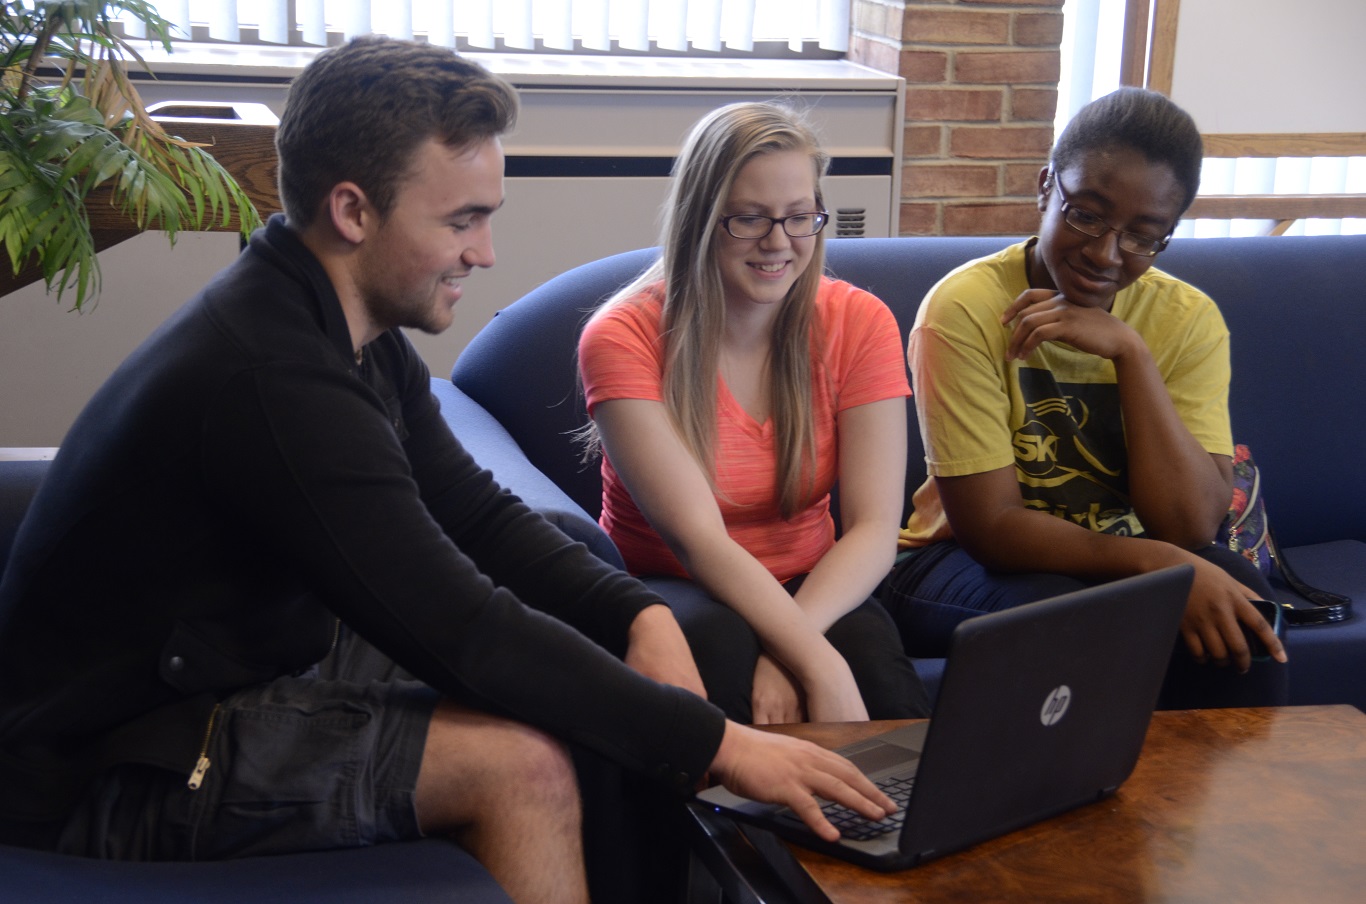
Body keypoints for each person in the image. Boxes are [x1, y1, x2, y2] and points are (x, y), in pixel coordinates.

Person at [0, 38, 900, 904]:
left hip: (228, 656)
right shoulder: (277, 381)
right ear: (353, 211)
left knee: (564, 623)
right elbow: (462, 627)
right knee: (524, 771)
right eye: (462, 220)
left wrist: (637, 612)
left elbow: (480, 517)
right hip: (117, 759)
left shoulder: (349, 332)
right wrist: (722, 745)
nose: (486, 252)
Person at [880, 87, 1288, 709]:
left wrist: (1132, 355)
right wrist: (1158, 565)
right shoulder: (964, 308)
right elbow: (991, 529)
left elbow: (1191, 524)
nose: (1104, 253)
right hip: (952, 564)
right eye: (1086, 215)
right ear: (1046, 187)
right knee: (1065, 613)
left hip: (1118, 556)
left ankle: (1216, 806)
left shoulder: (1186, 319)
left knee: (1243, 611)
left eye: (1142, 237)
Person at [577, 101, 929, 726]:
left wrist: (799, 650)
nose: (778, 244)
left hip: (812, 580)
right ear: (701, 220)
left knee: (879, 679)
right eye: (749, 220)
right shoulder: (622, 337)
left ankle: (895, 824)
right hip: (671, 583)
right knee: (723, 656)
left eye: (799, 218)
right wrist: (815, 664)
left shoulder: (859, 321)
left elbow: (876, 526)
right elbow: (697, 540)